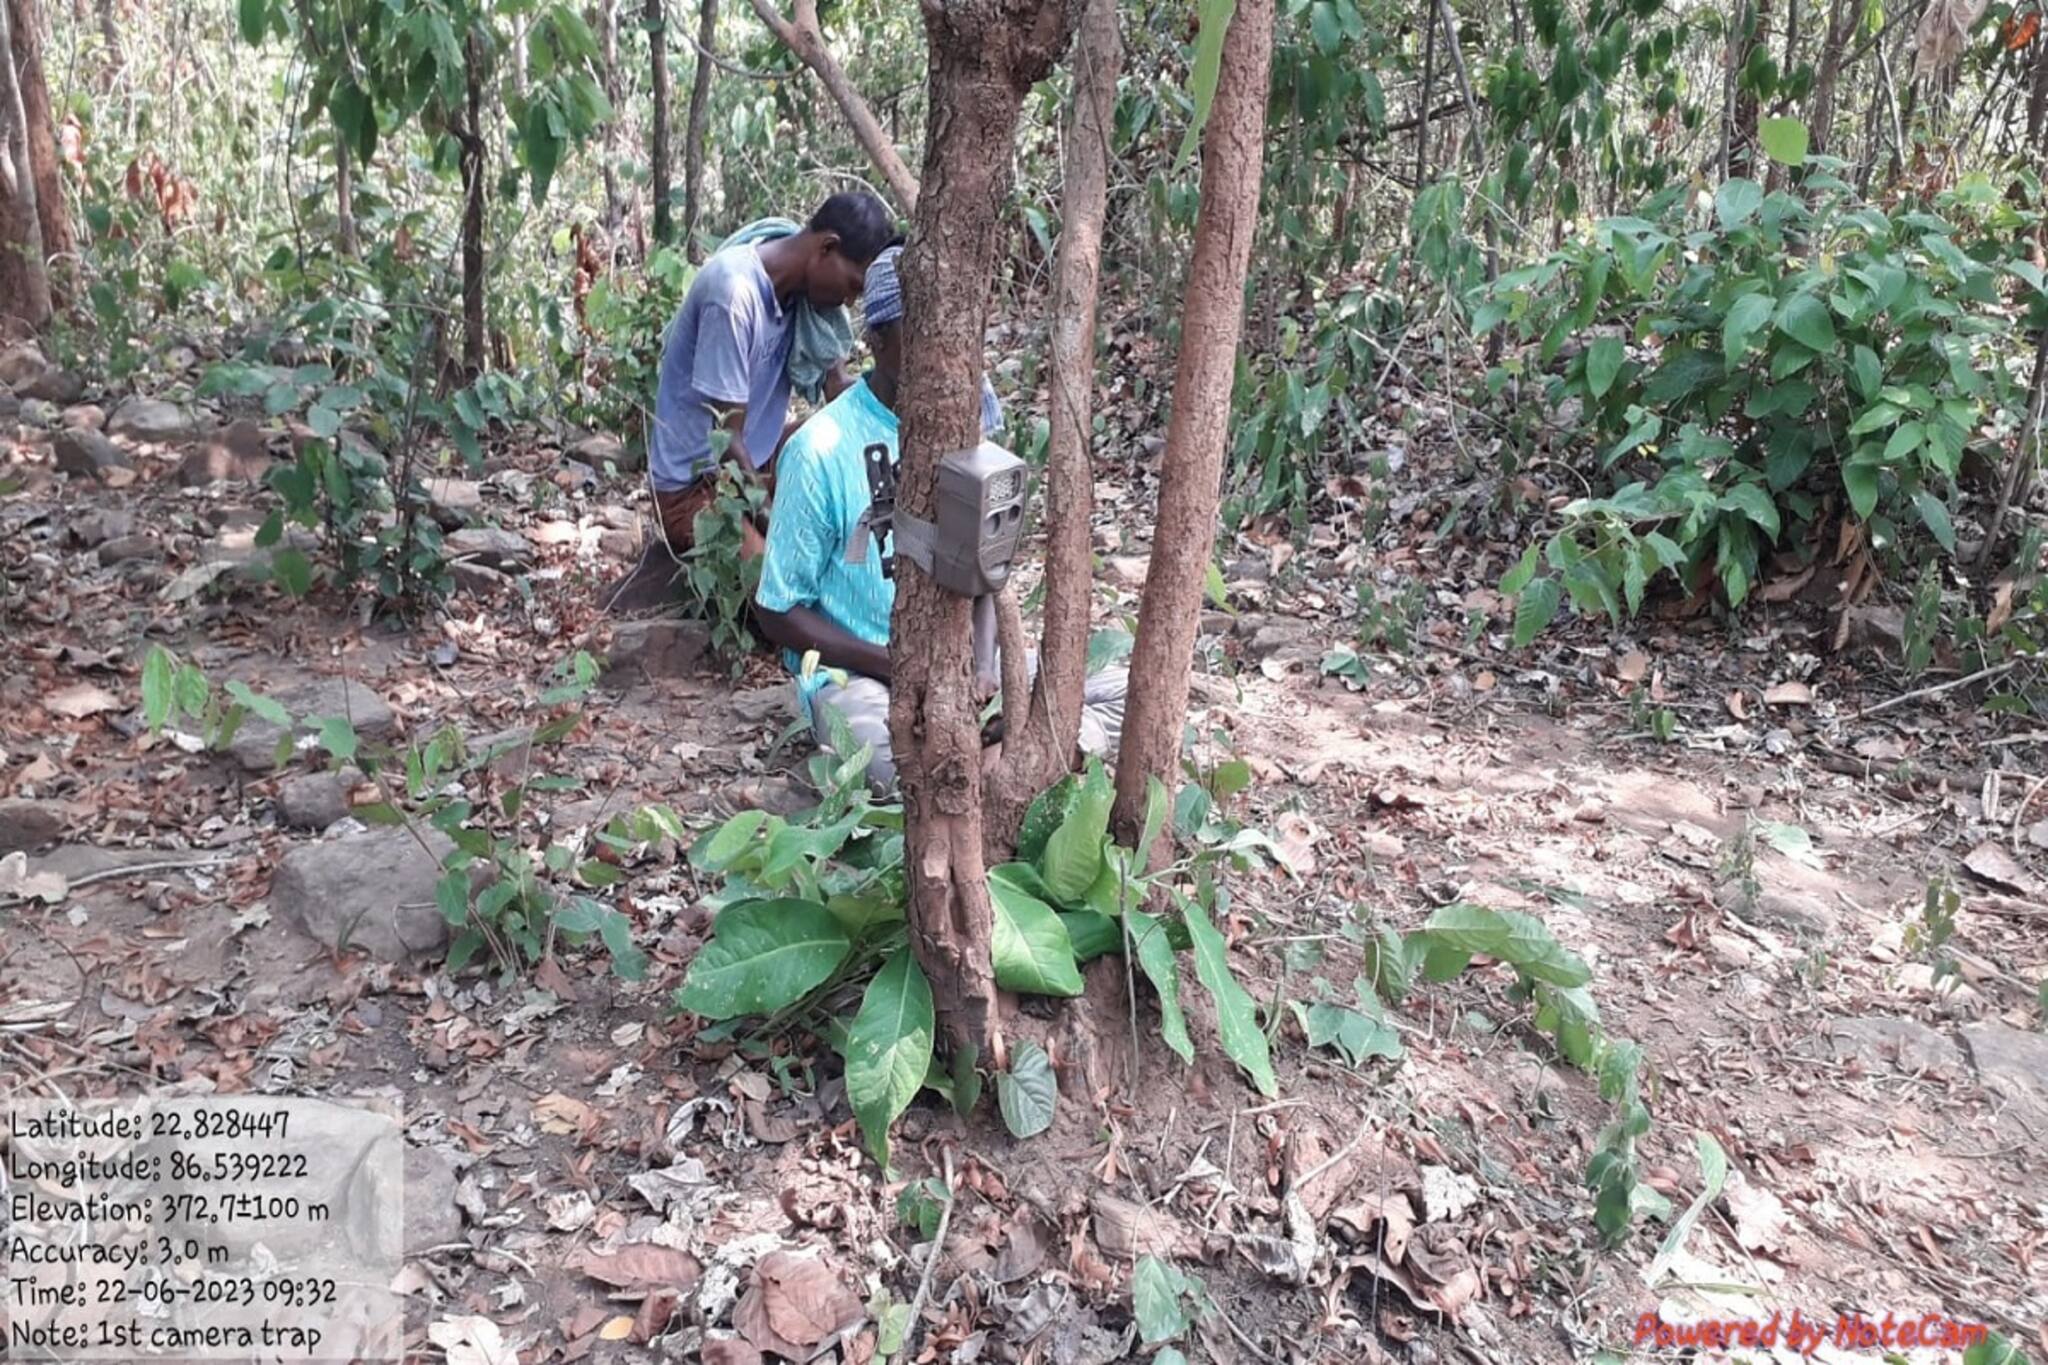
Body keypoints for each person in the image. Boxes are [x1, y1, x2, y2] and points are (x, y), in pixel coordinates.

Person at [753, 245, 1126, 788]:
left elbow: (986, 574)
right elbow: (778, 612)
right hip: (862, 674)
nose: (937, 351)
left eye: (947, 333)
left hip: (968, 661)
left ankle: (999, 760)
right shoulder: (820, 451)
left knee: (1123, 688)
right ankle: (1010, 766)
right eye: (916, 333)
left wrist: (977, 670)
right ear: (877, 341)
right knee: (884, 763)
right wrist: (898, 665)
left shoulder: (966, 426)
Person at [648, 192, 896, 560]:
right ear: (827, 247)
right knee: (777, 589)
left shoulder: (803, 297)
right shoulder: (732, 294)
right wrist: (777, 530)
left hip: (760, 460)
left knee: (839, 440)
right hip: (694, 487)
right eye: (852, 286)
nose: (848, 302)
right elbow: (725, 441)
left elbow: (837, 390)